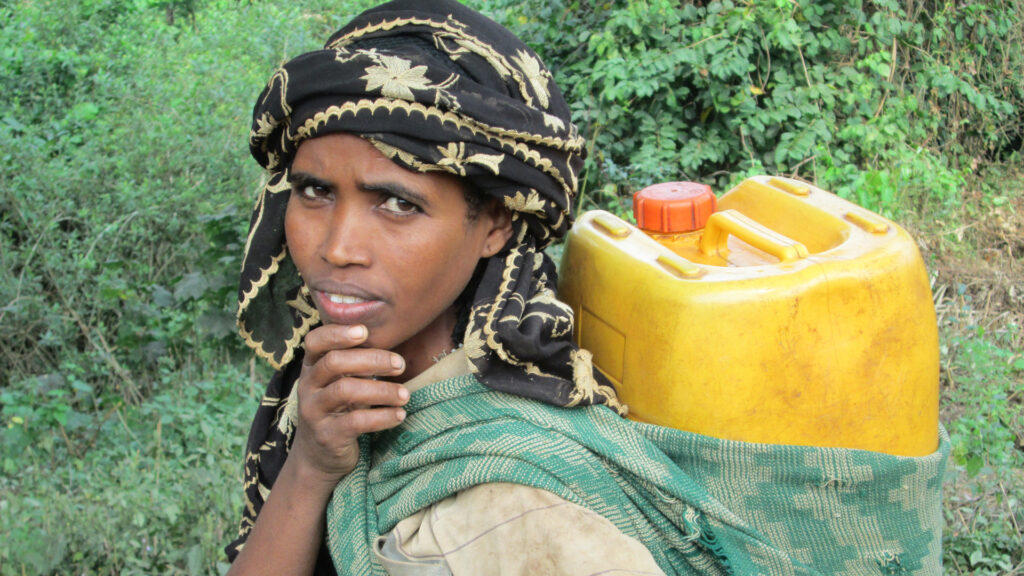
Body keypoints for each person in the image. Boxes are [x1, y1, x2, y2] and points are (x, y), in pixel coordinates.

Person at [225, 2, 948, 575]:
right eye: (315, 190)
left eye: (398, 204)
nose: (337, 247)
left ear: (497, 225)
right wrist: (315, 464)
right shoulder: (337, 387)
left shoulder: (512, 513)